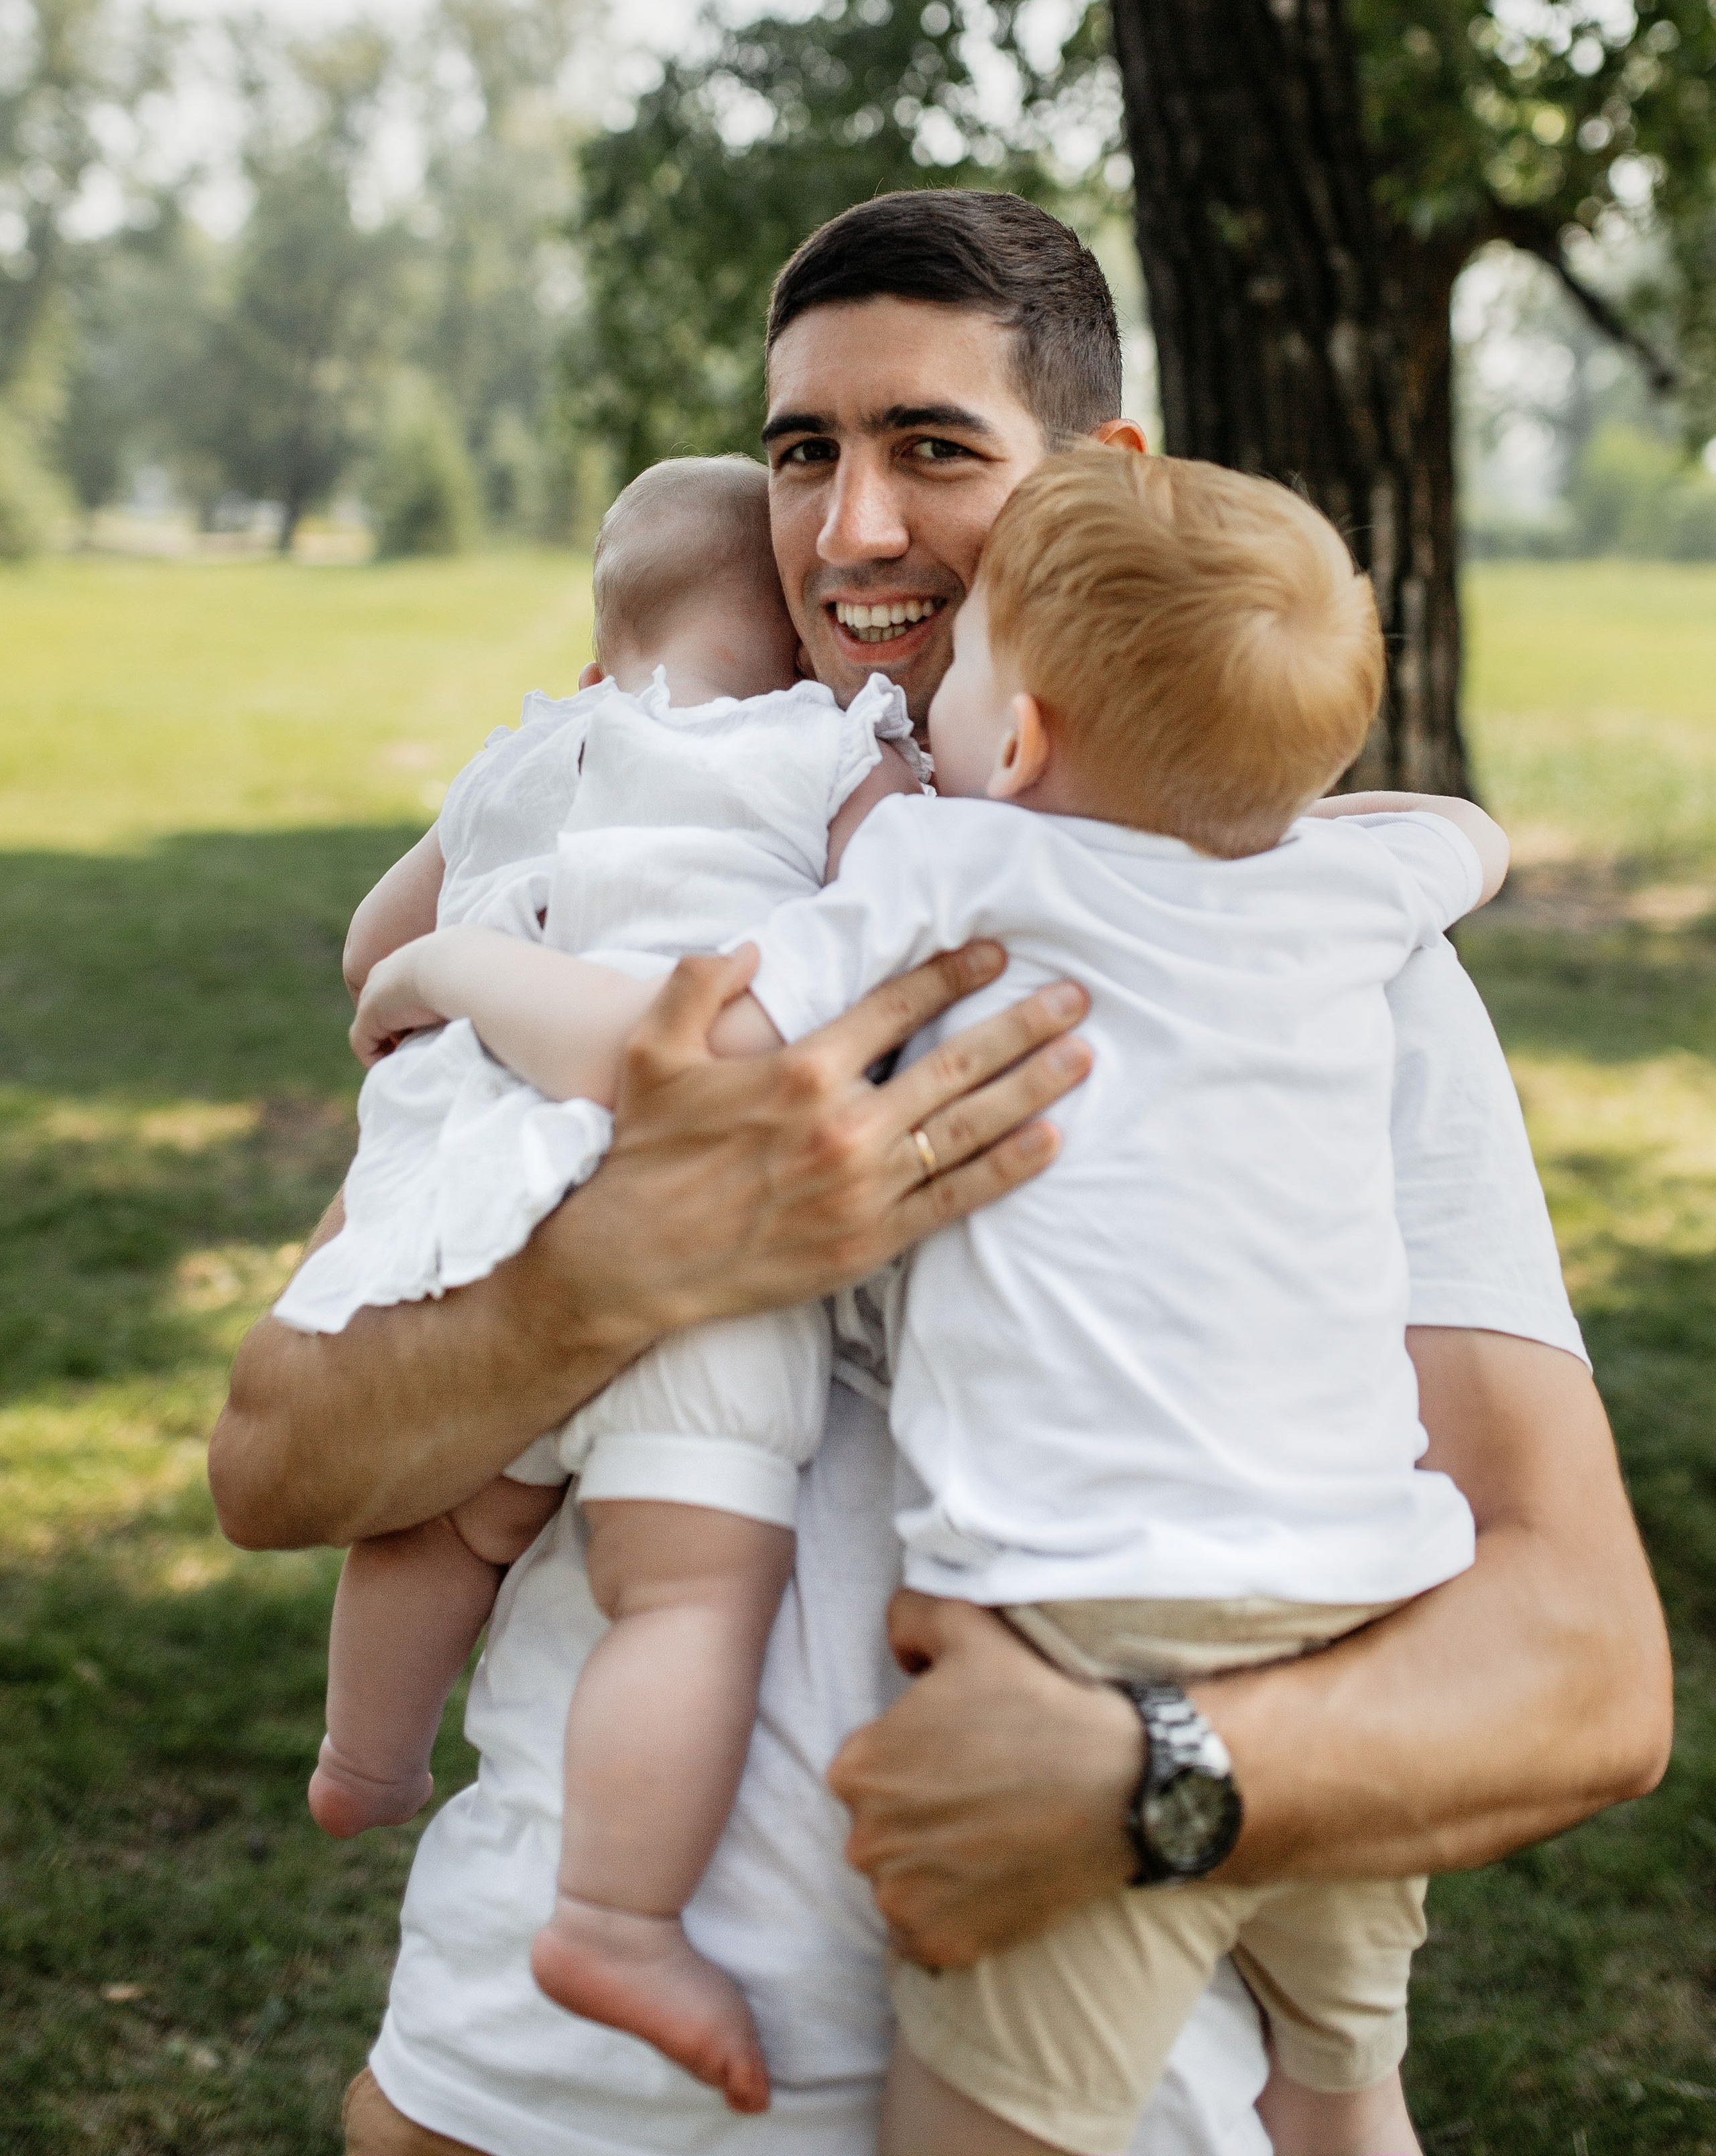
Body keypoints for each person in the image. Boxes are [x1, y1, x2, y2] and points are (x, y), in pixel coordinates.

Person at [208, 192, 1672, 2156]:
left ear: (1104, 483)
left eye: (934, 449)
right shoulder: (637, 882)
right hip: (540, 2079)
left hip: (1070, 2065)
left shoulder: (1317, 973)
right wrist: (624, 1266)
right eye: (803, 451)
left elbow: (1582, 1666)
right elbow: (277, 1460)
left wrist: (1141, 1770)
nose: (850, 530)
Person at [355, 446, 1516, 2156]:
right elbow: (1456, 836)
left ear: (1020, 738)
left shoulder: (960, 874)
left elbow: (697, 1051)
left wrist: (451, 966)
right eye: (802, 452)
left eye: (962, 671)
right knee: (1343, 2097)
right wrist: (1265, 813)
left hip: (1085, 1648)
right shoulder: (1346, 895)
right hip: (1349, 1622)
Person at [282, 453, 922, 2120]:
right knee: (688, 1593)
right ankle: (615, 1920)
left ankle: (363, 1759)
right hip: (693, 1224)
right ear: (792, 648)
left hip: (469, 1214)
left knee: (441, 1520)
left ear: (594, 649)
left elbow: (371, 955)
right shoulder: (826, 743)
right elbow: (910, 887)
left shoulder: (521, 758)